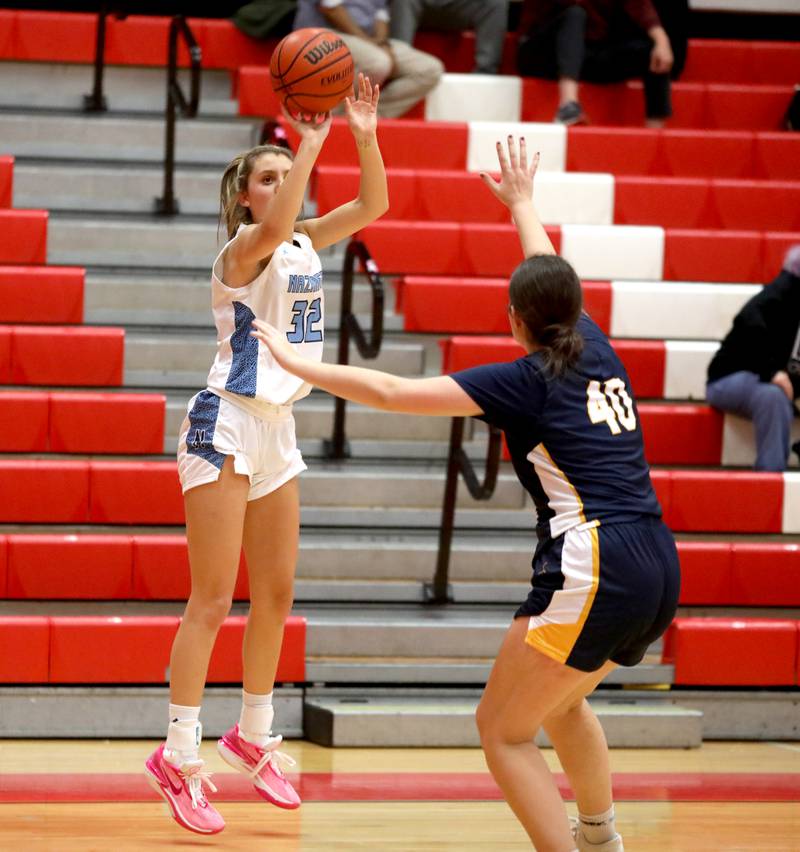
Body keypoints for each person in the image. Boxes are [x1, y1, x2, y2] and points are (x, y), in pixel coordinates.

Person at [252, 136, 680, 852]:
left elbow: (391, 390)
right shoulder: (594, 345)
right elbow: (552, 277)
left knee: (500, 730)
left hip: (597, 562)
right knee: (564, 702)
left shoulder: (524, 379)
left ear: (515, 320)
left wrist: (301, 362)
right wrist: (521, 204)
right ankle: (603, 841)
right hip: (659, 561)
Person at [144, 74, 389, 836]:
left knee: (276, 595)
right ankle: (178, 755)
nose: (284, 184)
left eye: (287, 173)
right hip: (223, 423)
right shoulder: (244, 248)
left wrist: (363, 133)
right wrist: (308, 150)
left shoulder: (304, 239)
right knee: (212, 599)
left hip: (277, 427)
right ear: (246, 198)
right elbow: (285, 216)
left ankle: (253, 732)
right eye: (269, 177)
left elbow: (375, 205)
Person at [706, 246, 800, 472]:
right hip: (728, 378)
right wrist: (773, 372)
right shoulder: (779, 294)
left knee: (776, 397)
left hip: (772, 386)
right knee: (773, 397)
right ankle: (770, 479)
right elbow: (749, 324)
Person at [516, 0, 674, 127]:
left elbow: (640, 5)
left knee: (654, 50)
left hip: (586, 51)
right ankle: (568, 106)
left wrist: (661, 40)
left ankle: (655, 134)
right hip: (542, 52)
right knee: (575, 14)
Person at [293, 0, 444, 118]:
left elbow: (381, 13)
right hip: (320, 35)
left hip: (366, 39)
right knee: (378, 62)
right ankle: (328, 117)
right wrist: (371, 44)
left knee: (429, 69)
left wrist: (383, 43)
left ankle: (368, 118)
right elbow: (331, 9)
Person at [389, 0, 509, 75]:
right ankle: (399, 67)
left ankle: (485, 74)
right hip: (414, 5)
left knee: (496, 2)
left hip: (458, 6)